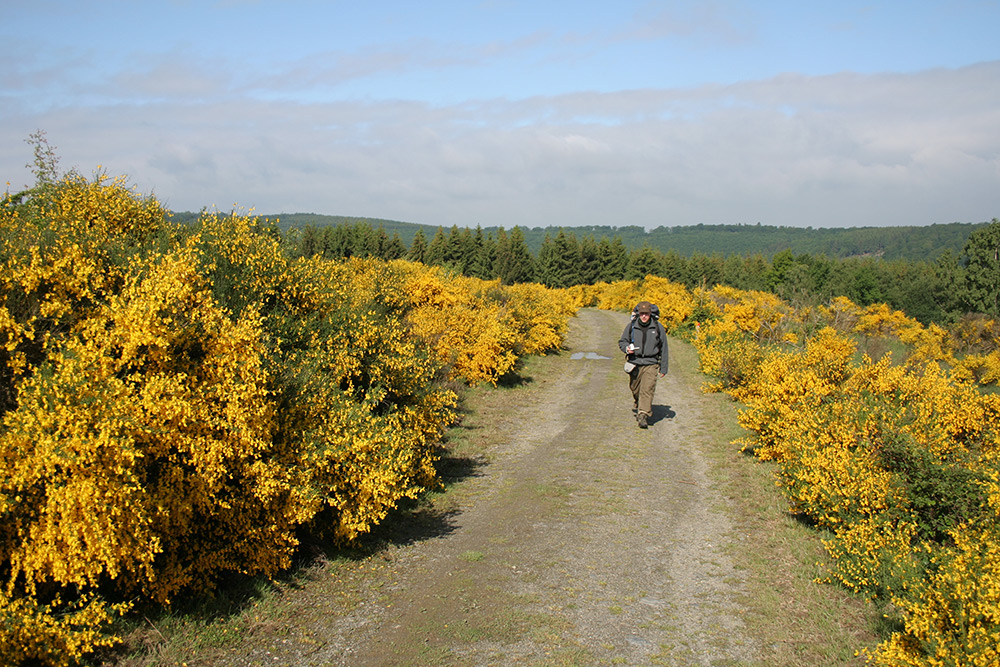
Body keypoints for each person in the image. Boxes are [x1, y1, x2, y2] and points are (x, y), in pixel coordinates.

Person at [618, 301, 668, 428]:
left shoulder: (657, 327)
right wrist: (626, 348)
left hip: (651, 363)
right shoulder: (632, 326)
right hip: (634, 362)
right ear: (638, 314)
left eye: (646, 314)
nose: (644, 316)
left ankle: (643, 414)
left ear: (650, 314)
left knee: (647, 389)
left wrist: (663, 367)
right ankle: (638, 402)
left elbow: (664, 347)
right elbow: (622, 341)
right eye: (642, 314)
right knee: (635, 388)